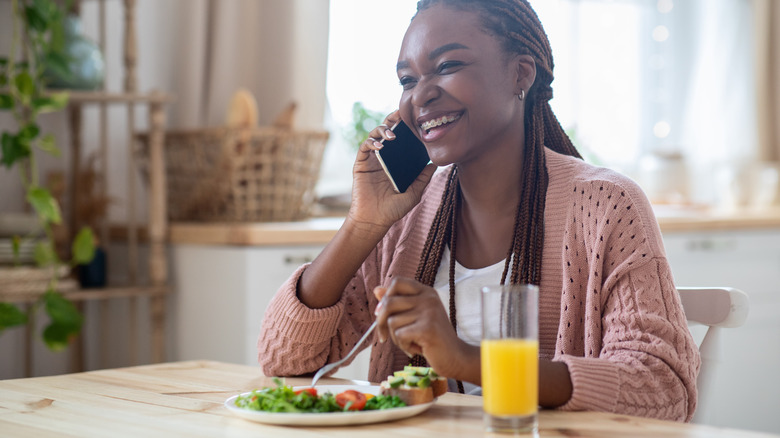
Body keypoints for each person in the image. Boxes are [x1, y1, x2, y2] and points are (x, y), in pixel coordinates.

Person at [258, 0, 700, 422]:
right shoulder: (407, 217)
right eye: (407, 80)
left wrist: (468, 361)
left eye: (448, 66)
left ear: (520, 73)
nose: (421, 96)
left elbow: (663, 389)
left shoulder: (605, 205)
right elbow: (285, 360)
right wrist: (362, 223)